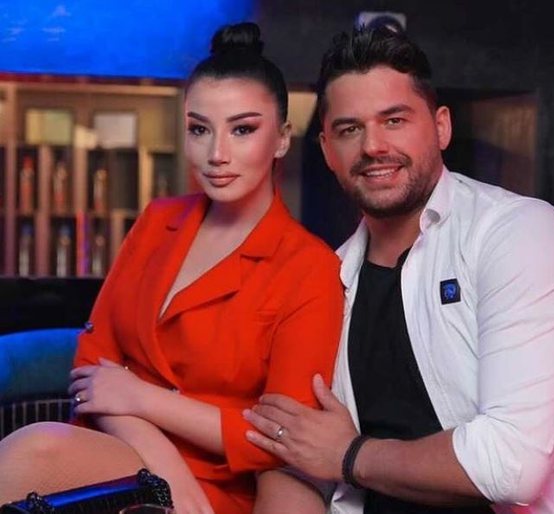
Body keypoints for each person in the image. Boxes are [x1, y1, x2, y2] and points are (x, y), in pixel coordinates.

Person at [242, 25, 554, 514]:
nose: (372, 146)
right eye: (349, 129)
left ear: (441, 127)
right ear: (326, 149)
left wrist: (349, 456)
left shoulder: (519, 234)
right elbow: (297, 452)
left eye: (394, 120)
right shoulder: (325, 278)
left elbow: (509, 464)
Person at [0, 23, 343, 514]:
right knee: (38, 450)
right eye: (199, 129)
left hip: (215, 486)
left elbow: (286, 436)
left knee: (36, 449)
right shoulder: (158, 221)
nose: (217, 154)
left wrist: (144, 398)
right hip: (119, 451)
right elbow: (92, 367)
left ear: (283, 138)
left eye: (243, 130)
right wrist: (160, 460)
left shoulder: (309, 268)